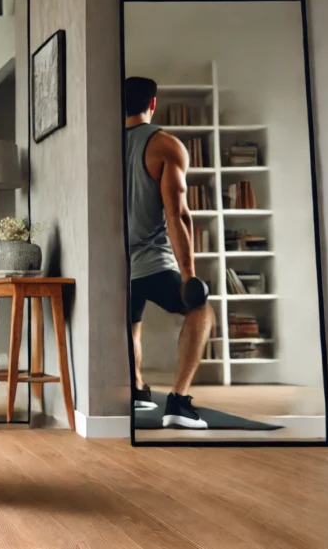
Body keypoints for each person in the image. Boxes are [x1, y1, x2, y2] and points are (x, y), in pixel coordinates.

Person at [124, 76, 216, 429]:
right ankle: (177, 401)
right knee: (201, 310)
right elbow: (176, 214)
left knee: (133, 326)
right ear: (152, 104)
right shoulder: (164, 145)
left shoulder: (102, 144)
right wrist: (190, 274)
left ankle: (137, 392)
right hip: (153, 261)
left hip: (119, 266)